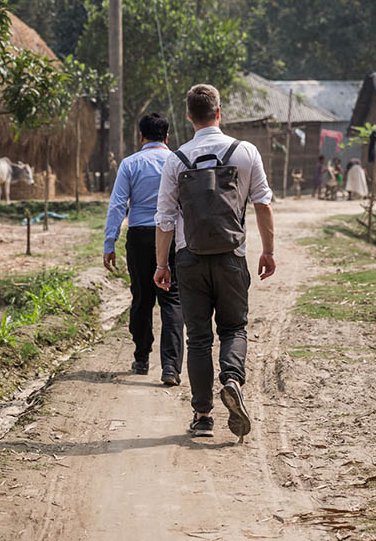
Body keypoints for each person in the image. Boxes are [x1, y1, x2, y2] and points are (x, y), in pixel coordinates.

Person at [154, 84, 276, 439]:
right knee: (234, 328)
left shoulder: (176, 159)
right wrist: (268, 250)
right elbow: (263, 204)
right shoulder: (246, 152)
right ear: (219, 113)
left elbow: (164, 218)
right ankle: (233, 379)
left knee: (199, 339)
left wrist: (162, 265)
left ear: (189, 116)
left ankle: (203, 415)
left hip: (189, 258)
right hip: (231, 256)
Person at [103, 113, 184, 386]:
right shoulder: (179, 161)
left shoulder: (130, 164)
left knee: (141, 297)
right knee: (172, 300)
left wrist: (109, 242)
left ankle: (141, 357)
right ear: (167, 136)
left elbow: (117, 205)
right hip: (171, 236)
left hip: (139, 237)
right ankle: (171, 367)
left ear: (141, 136)